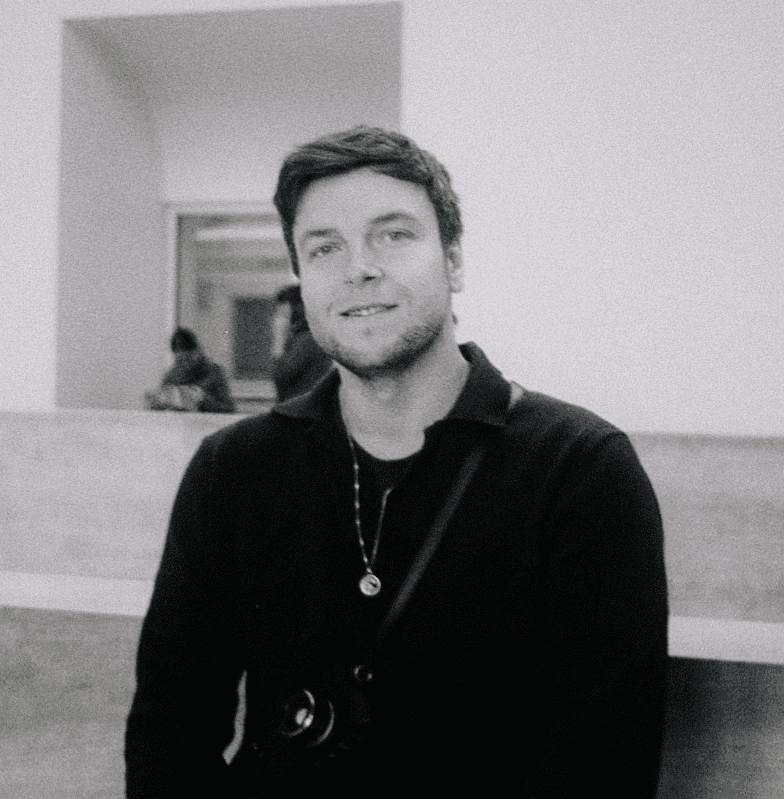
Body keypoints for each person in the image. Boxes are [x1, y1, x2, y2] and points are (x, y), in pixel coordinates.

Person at [126, 127, 668, 797]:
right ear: (302, 277)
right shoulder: (233, 469)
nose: (358, 267)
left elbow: (601, 765)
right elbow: (170, 732)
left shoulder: (581, 472)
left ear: (454, 260)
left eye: (393, 234)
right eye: (324, 247)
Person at [145, 327, 235, 413]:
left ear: (197, 352)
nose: (184, 365)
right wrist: (157, 402)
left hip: (207, 426)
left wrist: (204, 399)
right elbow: (159, 412)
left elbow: (229, 409)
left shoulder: (214, 373)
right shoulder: (172, 376)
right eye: (180, 361)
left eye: (188, 359)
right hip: (179, 426)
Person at [271, 283, 334, 401]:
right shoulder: (309, 337)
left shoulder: (307, 340)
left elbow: (281, 376)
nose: (278, 317)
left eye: (282, 312)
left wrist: (278, 338)